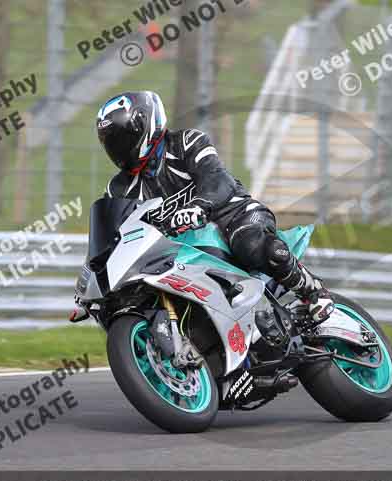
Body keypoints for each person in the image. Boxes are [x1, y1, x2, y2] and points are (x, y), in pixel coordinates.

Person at [92, 90, 334, 323]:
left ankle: (313, 291)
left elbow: (216, 178)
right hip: (179, 248)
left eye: (123, 138)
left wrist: (199, 206)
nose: (118, 148)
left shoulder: (186, 143)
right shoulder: (118, 189)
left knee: (249, 243)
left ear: (146, 127)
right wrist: (94, 285)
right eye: (112, 142)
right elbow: (113, 237)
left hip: (232, 214)